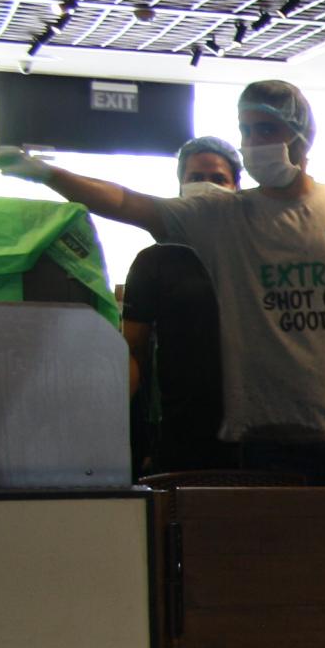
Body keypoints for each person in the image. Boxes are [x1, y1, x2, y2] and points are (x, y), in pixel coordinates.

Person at [0, 80, 325, 485]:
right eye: (245, 130)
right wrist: (46, 173)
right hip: (267, 439)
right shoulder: (223, 216)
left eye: (266, 129)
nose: (253, 140)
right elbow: (127, 201)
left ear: (302, 136)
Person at [121, 137, 241, 476]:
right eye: (195, 178)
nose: (207, 186)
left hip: (258, 431)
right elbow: (133, 351)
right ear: (180, 186)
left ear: (237, 187)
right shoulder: (155, 261)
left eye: (219, 179)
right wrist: (119, 425)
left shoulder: (258, 254)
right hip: (182, 429)